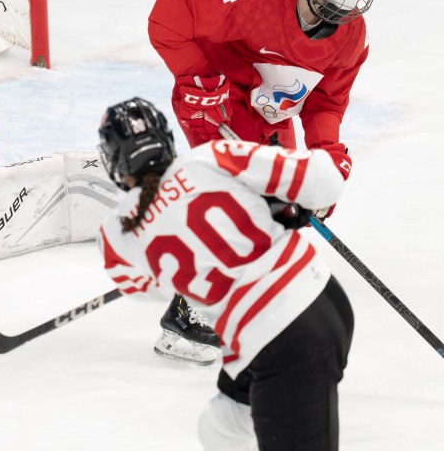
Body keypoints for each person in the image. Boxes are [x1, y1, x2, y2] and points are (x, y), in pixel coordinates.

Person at [145, 0, 379, 362]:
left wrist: (326, 158)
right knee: (248, 203)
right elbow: (169, 13)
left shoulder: (351, 37)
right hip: (218, 102)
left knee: (284, 207)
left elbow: (326, 102)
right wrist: (198, 82)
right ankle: (191, 316)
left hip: (268, 113)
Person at [98, 97, 354, 451]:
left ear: (113, 158)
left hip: (282, 339)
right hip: (320, 298)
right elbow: (325, 182)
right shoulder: (211, 157)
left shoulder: (116, 232)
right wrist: (278, 205)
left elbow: (148, 291)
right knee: (220, 430)